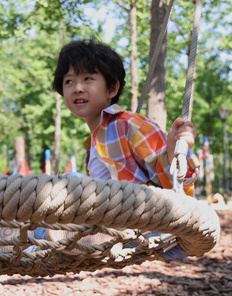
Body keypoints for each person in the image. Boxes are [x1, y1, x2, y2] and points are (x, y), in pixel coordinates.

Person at [51, 39, 200, 259]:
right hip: (110, 222)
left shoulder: (129, 125)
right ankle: (40, 240)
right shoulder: (93, 144)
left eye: (88, 79)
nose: (77, 88)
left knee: (70, 181)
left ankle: (39, 238)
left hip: (139, 222)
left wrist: (173, 153)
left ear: (112, 88)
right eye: (69, 81)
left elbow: (176, 181)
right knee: (67, 183)